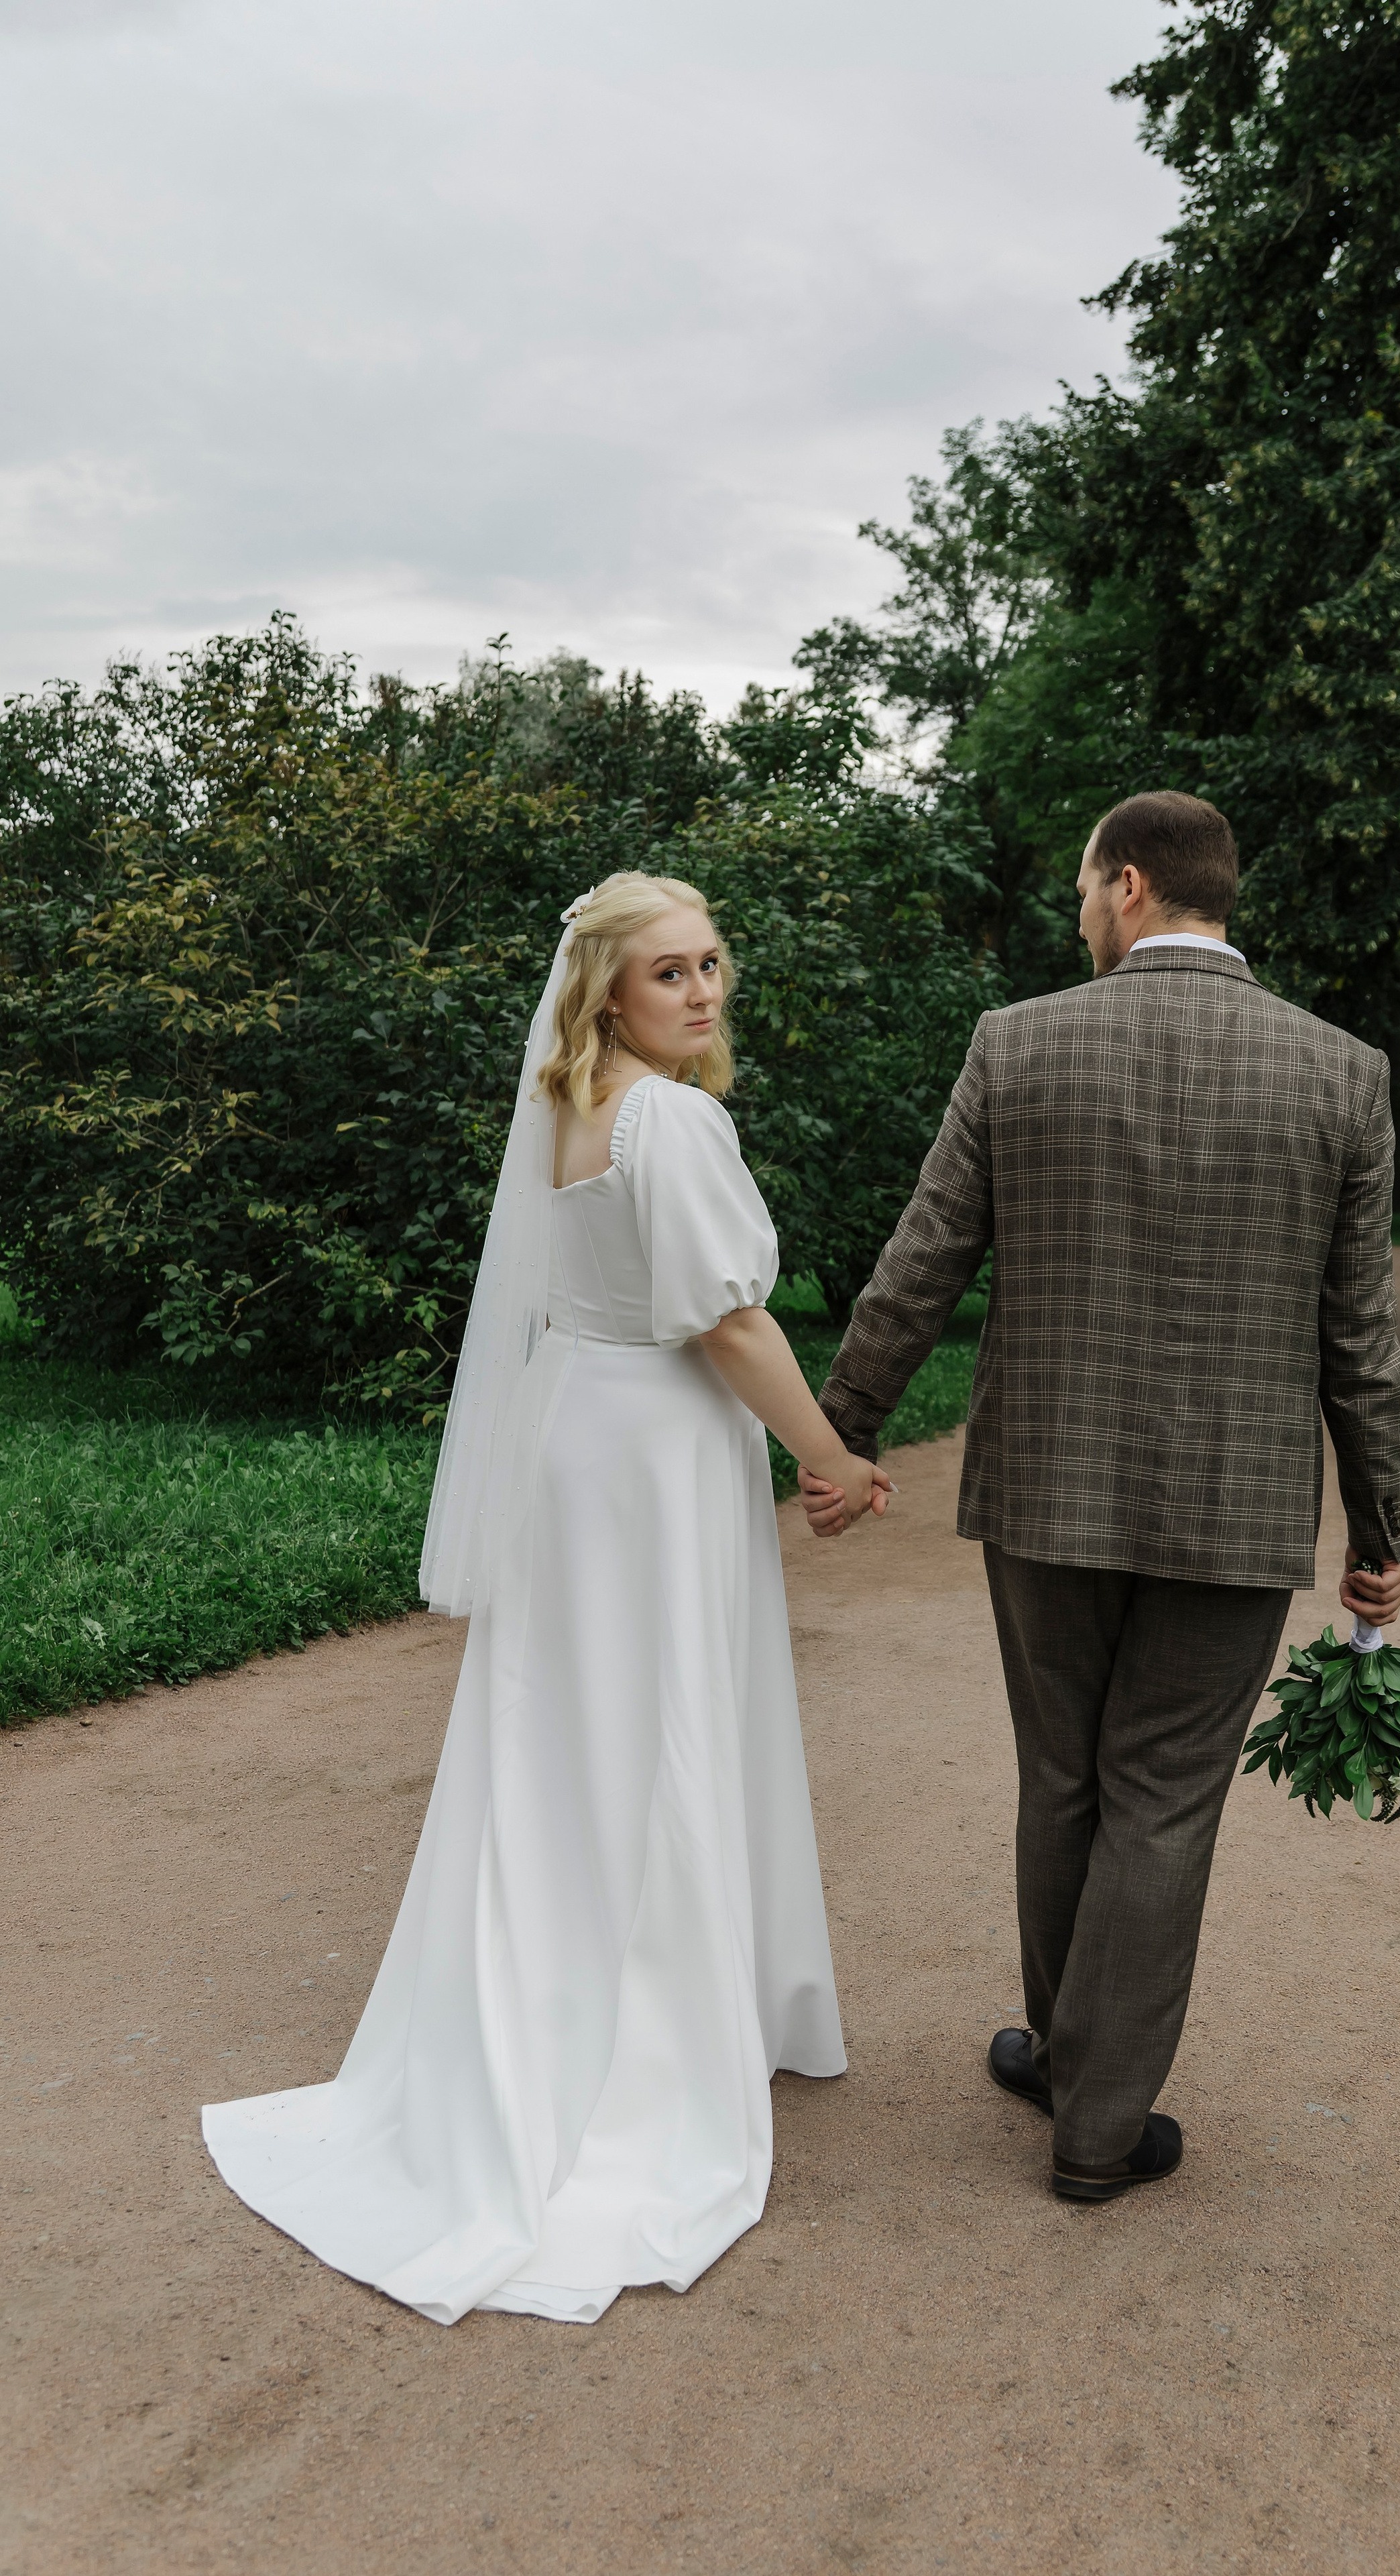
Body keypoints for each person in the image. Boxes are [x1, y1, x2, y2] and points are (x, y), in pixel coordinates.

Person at [203, 872, 888, 2325]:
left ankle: (551, 1994)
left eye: (711, 963)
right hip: (654, 1453)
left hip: (576, 1435)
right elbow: (728, 1317)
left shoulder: (569, 1114)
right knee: (666, 1721)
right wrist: (827, 1457)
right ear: (606, 995)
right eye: (666, 974)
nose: (701, 993)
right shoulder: (674, 1118)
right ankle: (649, 2039)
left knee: (562, 1733)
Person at [802, 791, 1400, 2204]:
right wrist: (1382, 1530)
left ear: (1127, 885)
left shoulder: (1016, 1045)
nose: (1076, 916)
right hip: (1234, 1508)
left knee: (1061, 1774)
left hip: (1045, 1490)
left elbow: (923, 1257)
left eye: (1084, 892)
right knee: (1161, 1798)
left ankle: (1067, 2061)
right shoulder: (1342, 1073)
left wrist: (843, 1425)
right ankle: (1095, 2109)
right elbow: (1356, 1339)